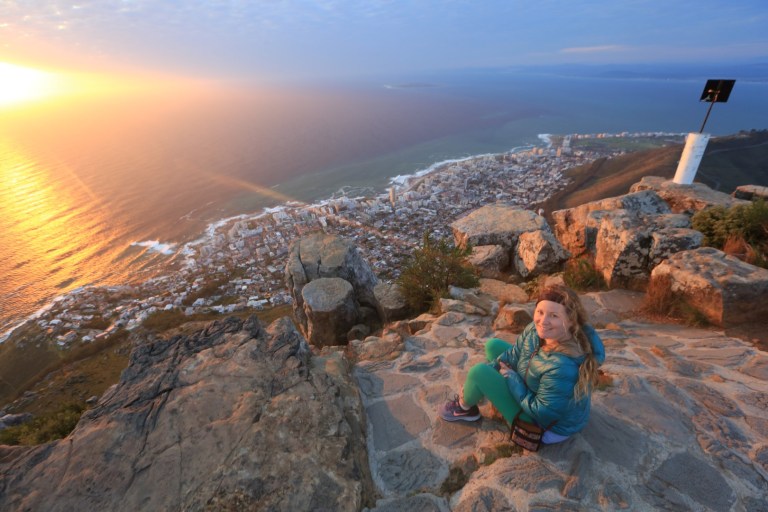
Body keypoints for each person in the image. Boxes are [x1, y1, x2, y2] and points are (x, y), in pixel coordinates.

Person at [439, 284, 605, 445]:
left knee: (478, 373)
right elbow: (514, 354)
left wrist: (513, 382)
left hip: (544, 426)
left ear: (570, 321)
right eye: (540, 312)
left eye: (554, 316)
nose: (543, 321)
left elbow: (543, 413)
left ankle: (464, 408)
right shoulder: (537, 330)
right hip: (540, 393)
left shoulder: (563, 365)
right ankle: (484, 387)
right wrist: (494, 369)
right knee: (493, 346)